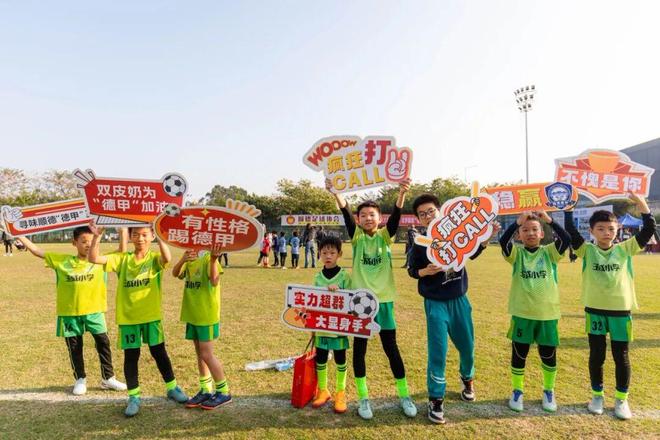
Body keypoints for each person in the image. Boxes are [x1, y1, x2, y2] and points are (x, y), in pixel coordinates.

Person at [327, 177, 417, 420]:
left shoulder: (385, 237)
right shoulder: (357, 237)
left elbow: (396, 217)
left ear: (379, 218)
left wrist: (401, 193)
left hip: (384, 301)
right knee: (360, 350)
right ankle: (363, 398)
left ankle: (404, 395)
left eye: (372, 215)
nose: (368, 218)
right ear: (359, 219)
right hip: (360, 303)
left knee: (391, 348)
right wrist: (336, 193)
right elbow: (346, 213)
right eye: (364, 215)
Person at [564, 194, 656, 420]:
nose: (607, 232)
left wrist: (642, 204)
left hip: (620, 311)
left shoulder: (625, 249)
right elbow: (571, 232)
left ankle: (622, 400)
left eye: (611, 229)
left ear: (618, 230)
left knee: (621, 356)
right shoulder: (586, 250)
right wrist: (568, 210)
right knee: (597, 355)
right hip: (595, 310)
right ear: (592, 231)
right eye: (601, 229)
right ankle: (597, 396)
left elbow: (648, 228)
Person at [408, 194, 495, 424]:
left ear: (440, 211)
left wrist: (486, 239)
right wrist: (425, 271)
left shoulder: (456, 233)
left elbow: (472, 251)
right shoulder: (420, 243)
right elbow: (412, 270)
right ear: (418, 219)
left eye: (431, 211)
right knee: (438, 352)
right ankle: (436, 398)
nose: (428, 216)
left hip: (459, 300)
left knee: (467, 347)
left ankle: (467, 379)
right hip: (435, 303)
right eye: (422, 214)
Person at [89, 224, 188, 417]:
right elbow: (93, 258)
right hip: (129, 319)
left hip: (151, 316)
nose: (140, 238)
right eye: (135, 234)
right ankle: (134, 397)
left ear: (152, 237)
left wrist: (161, 235)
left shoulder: (154, 259)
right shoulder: (122, 258)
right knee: (131, 356)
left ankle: (172, 387)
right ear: (130, 237)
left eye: (144, 234)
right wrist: (97, 236)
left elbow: (167, 259)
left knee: (159, 352)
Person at [16, 228, 127, 395]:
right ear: (74, 243)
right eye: (84, 241)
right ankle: (80, 379)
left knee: (103, 343)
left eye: (91, 241)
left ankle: (108, 378)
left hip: (95, 311)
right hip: (70, 313)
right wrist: (17, 233)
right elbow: (37, 251)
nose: (88, 245)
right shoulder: (63, 261)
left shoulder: (100, 260)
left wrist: (123, 231)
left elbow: (121, 252)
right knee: (75, 347)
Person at [499, 210, 570, 413]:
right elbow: (503, 242)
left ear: (541, 233)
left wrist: (549, 220)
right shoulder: (517, 255)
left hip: (547, 314)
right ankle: (517, 391)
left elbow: (566, 239)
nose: (530, 233)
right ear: (519, 235)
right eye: (525, 230)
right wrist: (516, 223)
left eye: (534, 229)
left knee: (548, 355)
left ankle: (549, 390)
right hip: (522, 313)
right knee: (519, 354)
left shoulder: (550, 253)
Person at [172, 245, 231, 410]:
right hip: (192, 313)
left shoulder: (208, 258)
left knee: (207, 354)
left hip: (206, 314)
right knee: (200, 354)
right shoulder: (190, 256)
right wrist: (183, 259)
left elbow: (214, 281)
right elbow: (175, 273)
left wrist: (213, 259)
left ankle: (223, 391)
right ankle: (205, 389)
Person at [310, 236, 351, 414]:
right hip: (321, 326)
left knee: (340, 358)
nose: (328, 256)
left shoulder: (344, 276)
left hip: (339, 326)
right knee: (320, 358)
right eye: (324, 252)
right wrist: (312, 327)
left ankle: (340, 392)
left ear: (339, 254)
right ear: (319, 254)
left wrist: (340, 292)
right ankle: (323, 390)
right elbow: (311, 303)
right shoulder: (317, 277)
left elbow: (352, 299)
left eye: (332, 252)